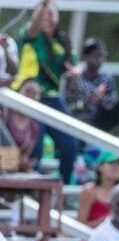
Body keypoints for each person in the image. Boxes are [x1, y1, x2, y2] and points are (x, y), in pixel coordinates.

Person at [14, 0, 79, 183]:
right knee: (31, 146)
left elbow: (71, 69)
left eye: (51, 13)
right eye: (44, 13)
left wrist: (73, 74)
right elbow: (34, 27)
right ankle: (26, 189)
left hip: (50, 98)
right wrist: (44, 5)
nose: (47, 17)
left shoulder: (62, 41)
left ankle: (61, 189)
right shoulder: (31, 35)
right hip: (26, 100)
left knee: (70, 145)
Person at [66, 38, 119, 142]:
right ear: (86, 56)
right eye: (96, 55)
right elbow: (70, 108)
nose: (99, 59)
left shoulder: (106, 78)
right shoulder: (76, 79)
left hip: (101, 119)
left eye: (102, 56)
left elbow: (112, 103)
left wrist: (101, 101)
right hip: (83, 122)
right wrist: (88, 101)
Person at [77, 151, 119, 227]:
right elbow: (80, 226)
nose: (116, 167)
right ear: (100, 167)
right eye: (112, 163)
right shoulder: (89, 191)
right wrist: (107, 221)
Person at [2, 78, 42, 172]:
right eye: (27, 91)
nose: (30, 96)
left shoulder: (34, 127)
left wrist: (25, 163)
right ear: (19, 92)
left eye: (35, 93)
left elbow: (24, 157)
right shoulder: (5, 112)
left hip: (11, 169)